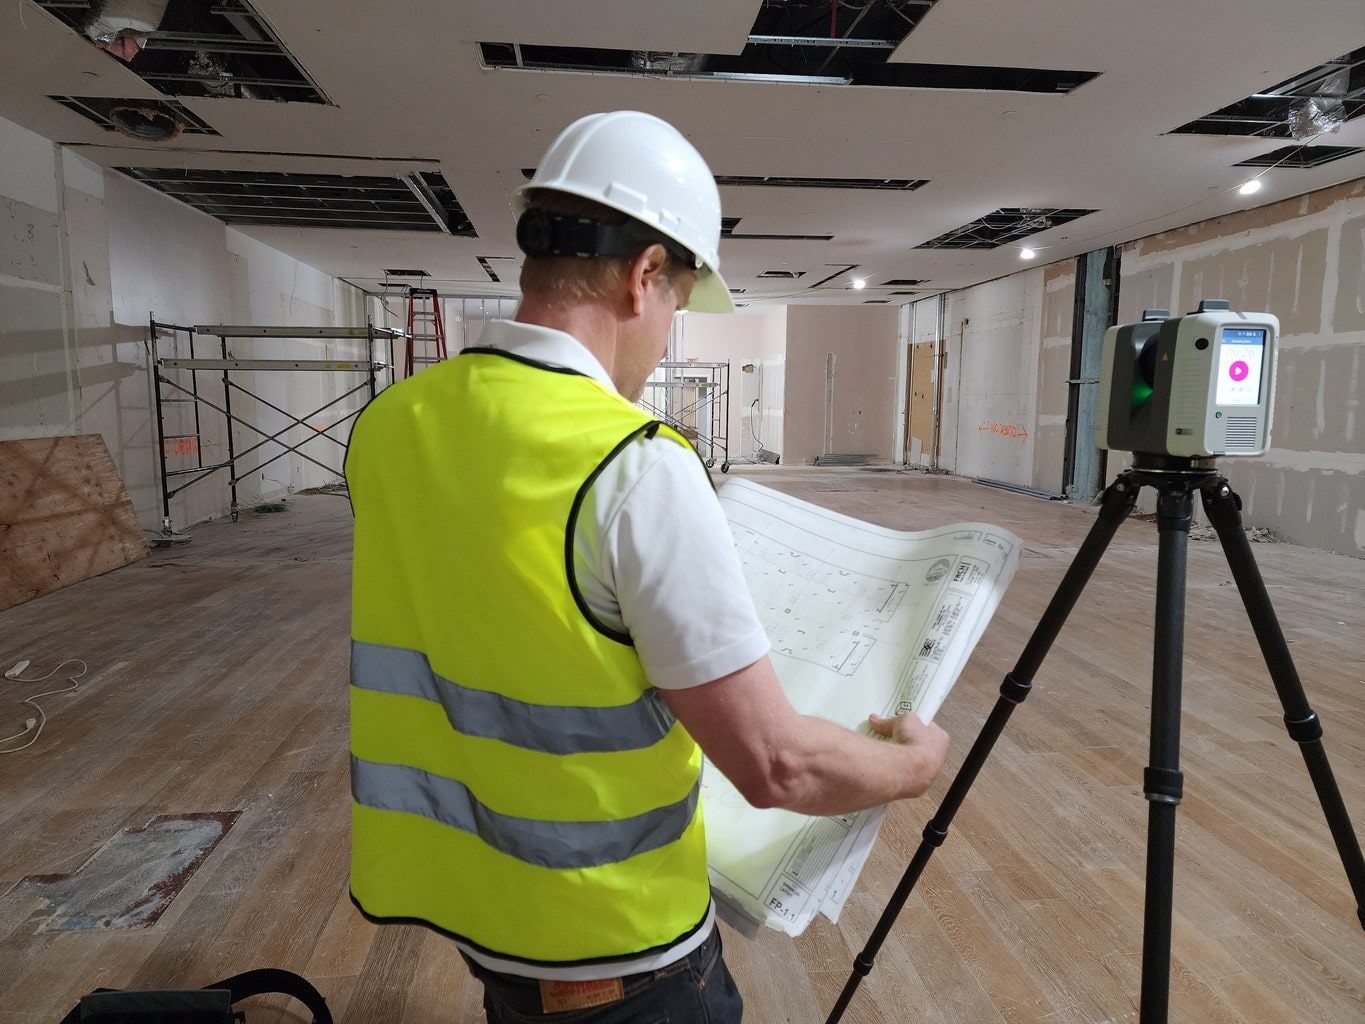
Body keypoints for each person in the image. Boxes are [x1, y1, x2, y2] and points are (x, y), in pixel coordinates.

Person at [345, 110, 950, 1024]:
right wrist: (910, 766)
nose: (668, 330)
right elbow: (776, 767)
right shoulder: (631, 464)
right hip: (618, 940)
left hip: (478, 906)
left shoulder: (393, 424)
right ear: (643, 278)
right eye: (675, 304)